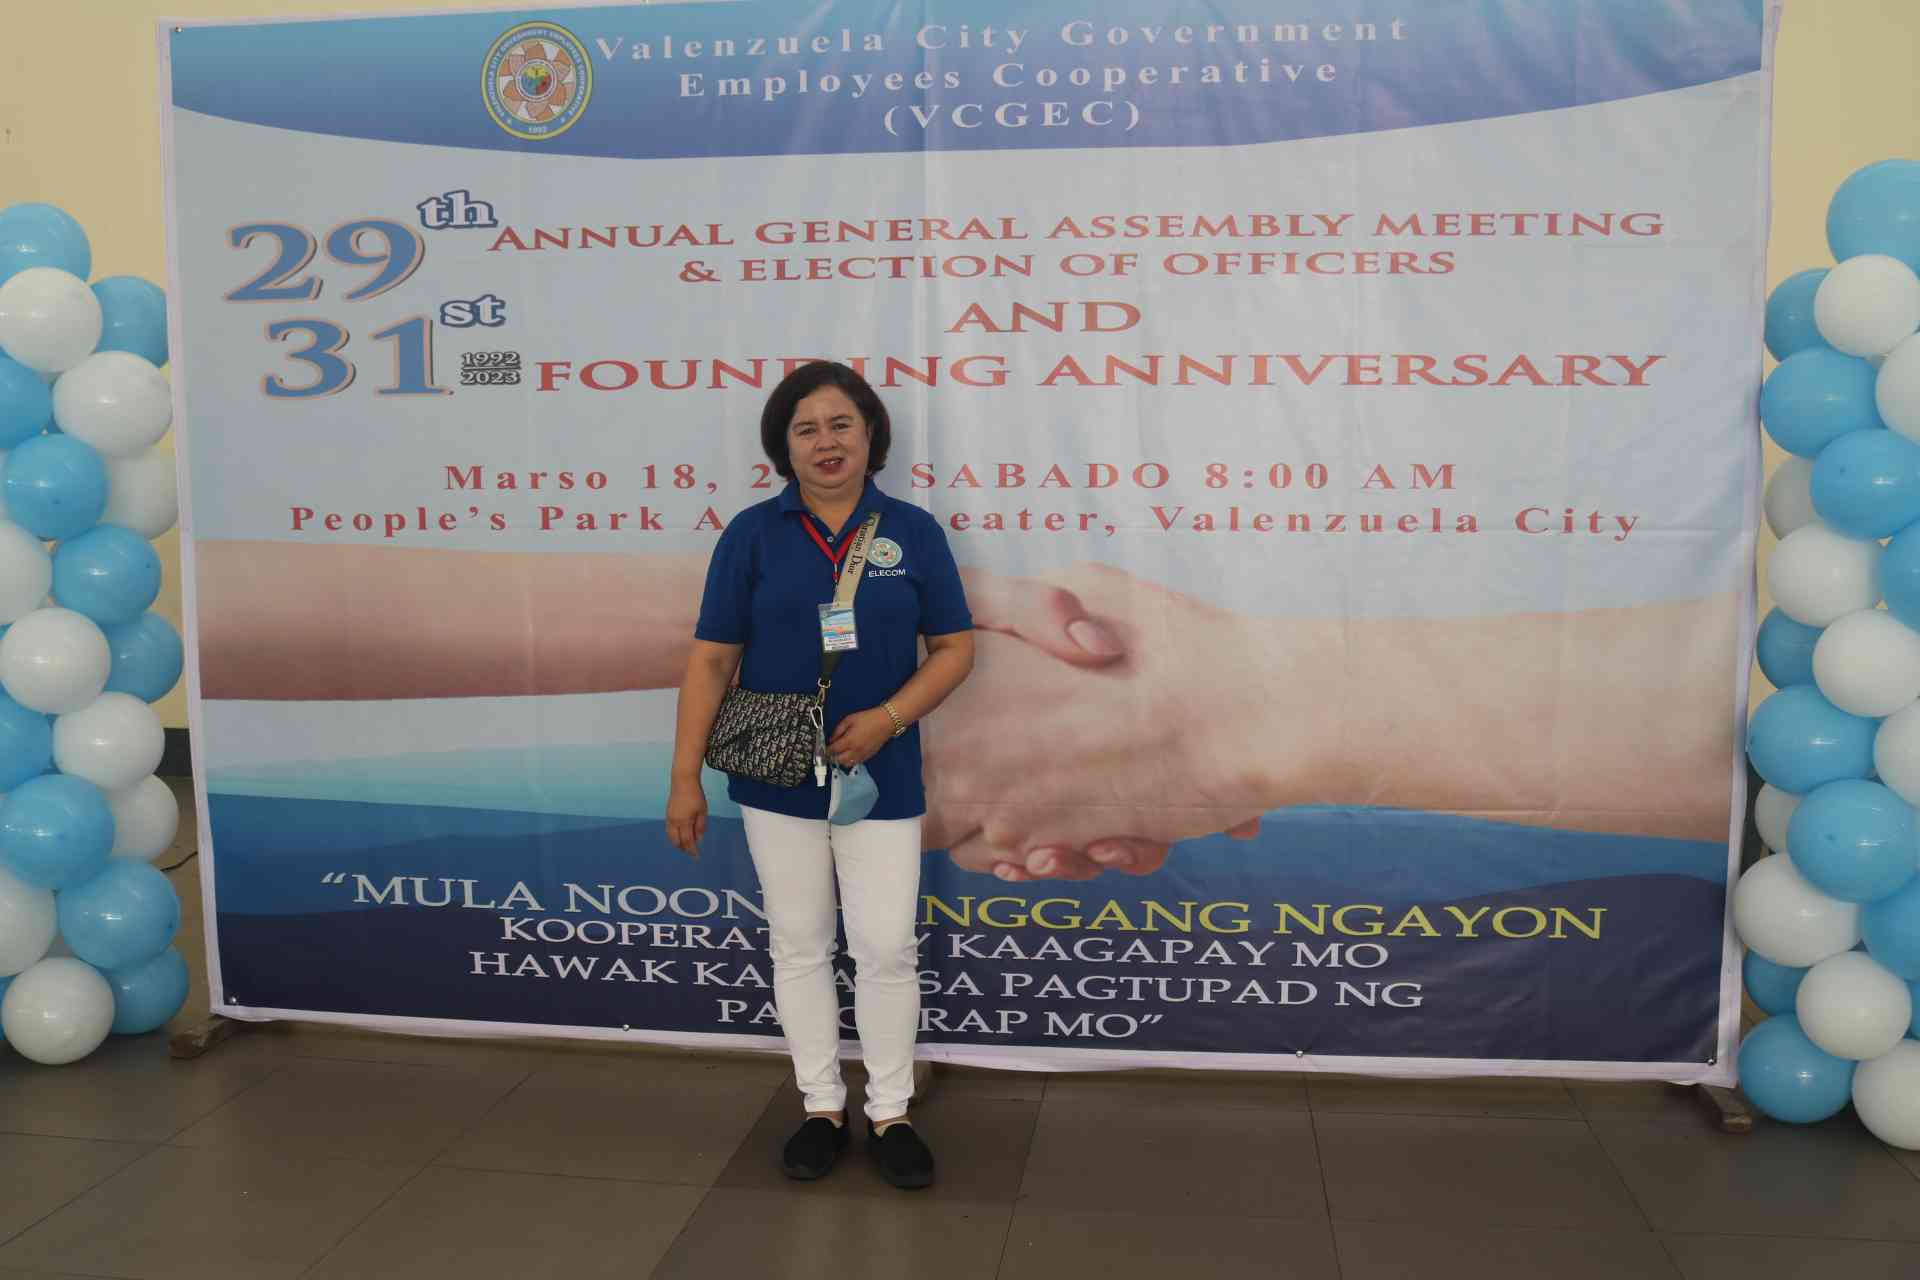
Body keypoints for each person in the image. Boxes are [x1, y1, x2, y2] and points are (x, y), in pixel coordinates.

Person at [663, 360, 974, 1189]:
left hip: (882, 775)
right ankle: (821, 1106)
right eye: (806, 429)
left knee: (885, 947)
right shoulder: (753, 534)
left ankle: (892, 1112)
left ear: (871, 435)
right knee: (799, 943)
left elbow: (955, 648)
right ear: (784, 447)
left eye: (841, 424)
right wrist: (685, 777)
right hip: (776, 775)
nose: (825, 442)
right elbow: (711, 660)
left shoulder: (913, 531)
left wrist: (887, 720)